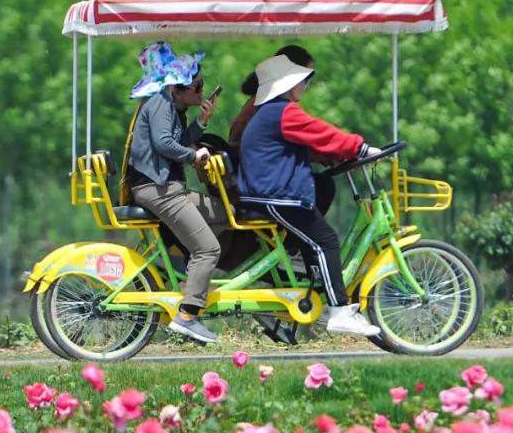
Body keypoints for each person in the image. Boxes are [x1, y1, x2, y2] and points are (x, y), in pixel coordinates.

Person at [237, 52, 382, 338]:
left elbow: (306, 144)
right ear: (286, 85)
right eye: (303, 80)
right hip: (277, 195)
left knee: (316, 237)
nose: (305, 85)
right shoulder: (283, 111)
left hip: (268, 193)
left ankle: (325, 295)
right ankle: (339, 311)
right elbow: (322, 133)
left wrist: (335, 156)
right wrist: (360, 148)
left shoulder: (269, 112)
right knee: (326, 241)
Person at [125, 41, 229, 345]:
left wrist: (201, 122)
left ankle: (188, 272)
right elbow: (164, 144)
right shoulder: (159, 103)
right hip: (158, 190)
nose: (201, 90)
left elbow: (179, 139)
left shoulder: (174, 107)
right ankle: (188, 316)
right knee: (208, 249)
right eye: (197, 85)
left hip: (170, 189)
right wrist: (194, 156)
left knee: (224, 214)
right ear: (178, 88)